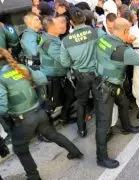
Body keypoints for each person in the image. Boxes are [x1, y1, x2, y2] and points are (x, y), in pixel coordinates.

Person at [0, 48, 83, 180]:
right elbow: (42, 80)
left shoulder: (1, 78)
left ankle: (34, 177)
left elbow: (2, 108)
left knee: (20, 149)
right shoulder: (21, 67)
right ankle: (75, 152)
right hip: (39, 113)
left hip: (23, 120)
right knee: (53, 135)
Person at [94, 18, 139, 168]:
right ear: (126, 31)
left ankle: (126, 127)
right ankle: (101, 158)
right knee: (103, 124)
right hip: (106, 87)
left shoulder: (104, 38)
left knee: (124, 104)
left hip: (109, 82)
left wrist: (126, 42)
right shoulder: (123, 50)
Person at [60, 8, 98, 137]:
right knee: (100, 101)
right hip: (97, 73)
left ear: (71, 22)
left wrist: (75, 63)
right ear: (83, 19)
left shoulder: (66, 40)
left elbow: (65, 63)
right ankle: (104, 127)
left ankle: (81, 130)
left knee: (81, 103)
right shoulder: (93, 32)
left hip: (81, 76)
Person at [39, 16, 72, 123]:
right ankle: (44, 129)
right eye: (58, 24)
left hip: (60, 75)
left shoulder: (54, 39)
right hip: (53, 77)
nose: (62, 26)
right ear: (51, 27)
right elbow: (63, 59)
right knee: (51, 104)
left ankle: (64, 117)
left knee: (70, 95)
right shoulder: (49, 42)